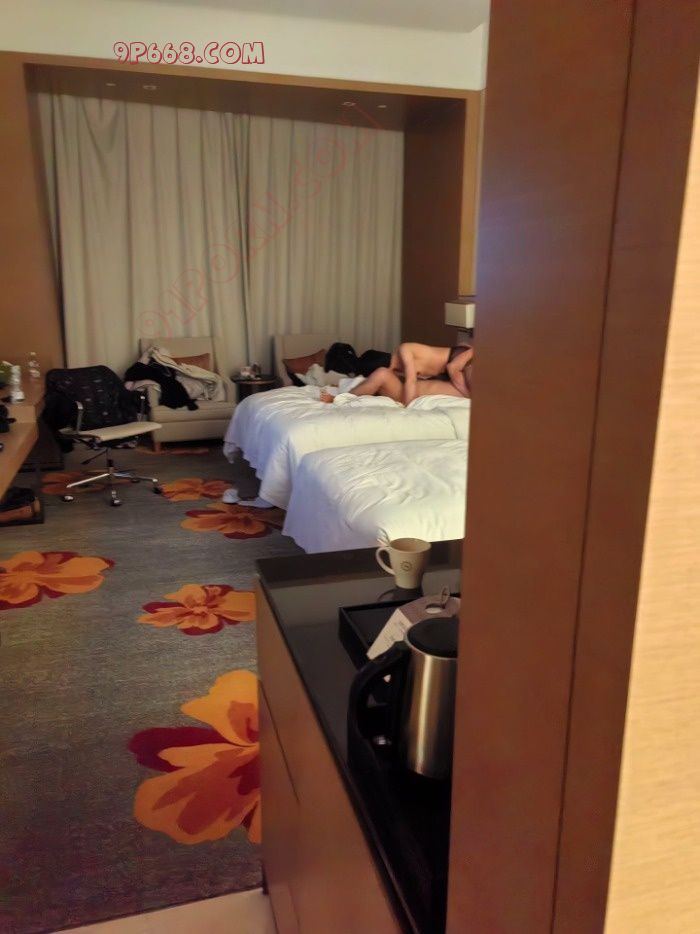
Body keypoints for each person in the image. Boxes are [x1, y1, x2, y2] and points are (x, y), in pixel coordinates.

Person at [347, 341, 473, 405]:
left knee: (381, 374)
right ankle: (346, 397)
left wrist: (408, 407)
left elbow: (411, 381)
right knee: (381, 374)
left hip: (411, 394)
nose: (393, 370)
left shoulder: (406, 351)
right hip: (410, 393)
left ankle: (346, 397)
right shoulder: (405, 355)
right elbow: (409, 380)